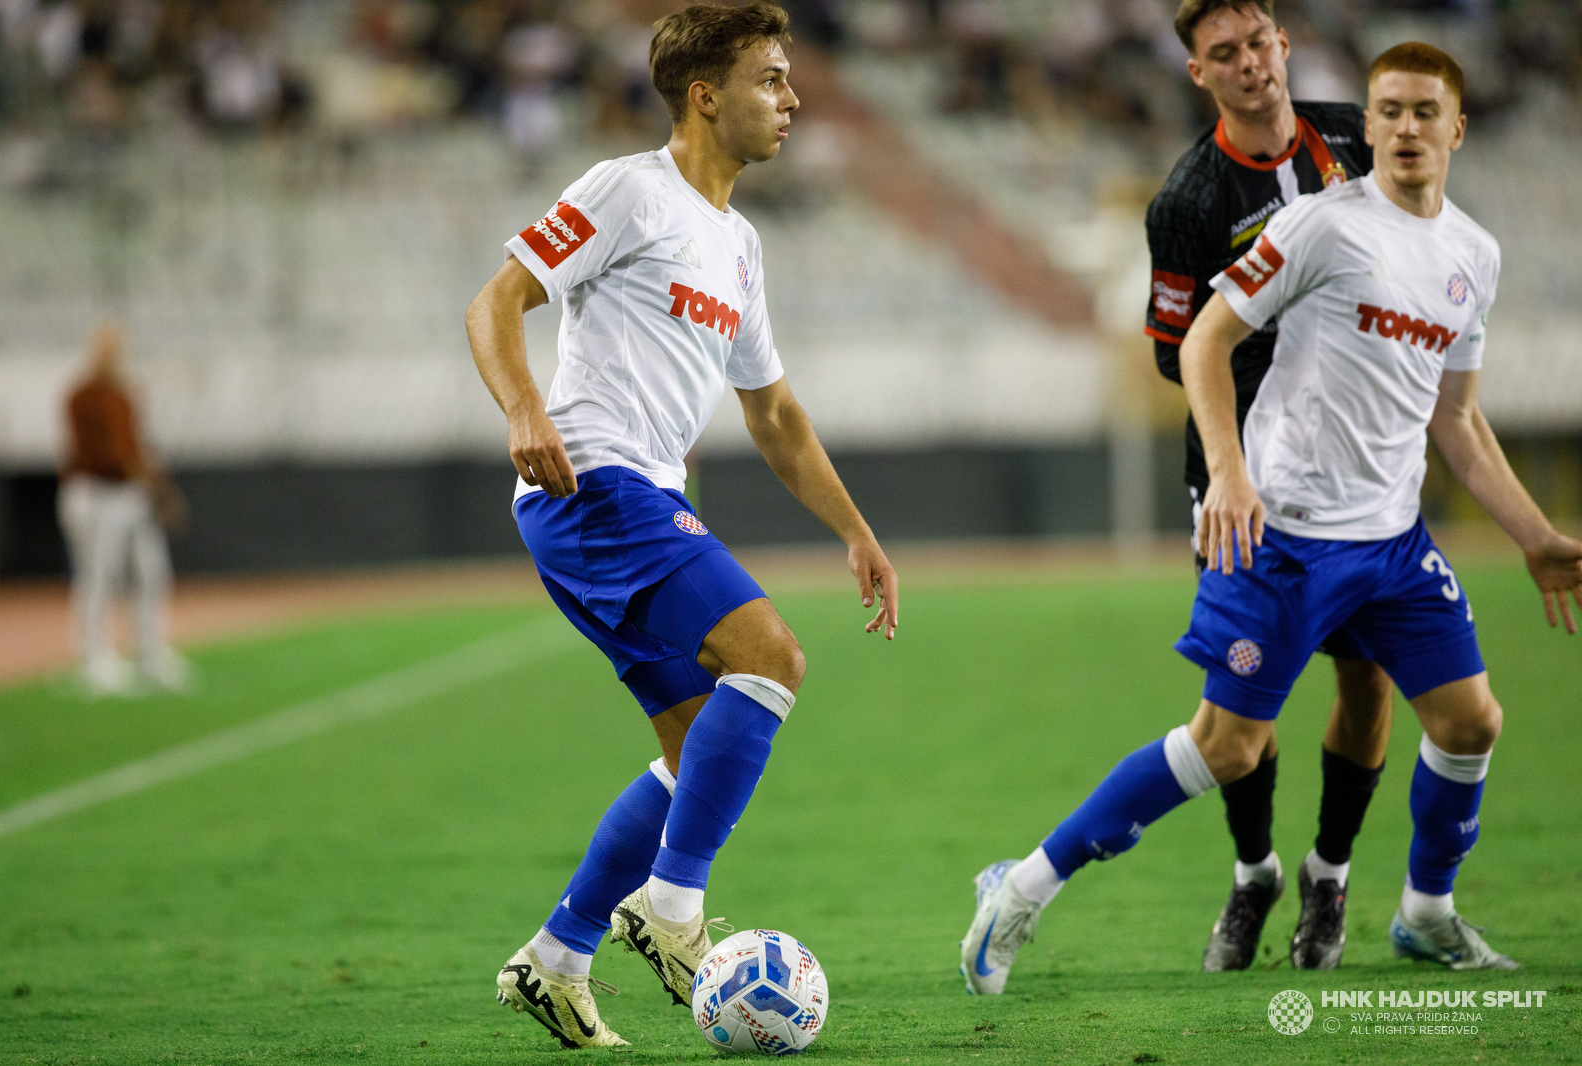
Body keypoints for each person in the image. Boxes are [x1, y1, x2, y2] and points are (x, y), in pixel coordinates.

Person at [961, 42, 1582, 993]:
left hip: (1392, 541)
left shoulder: (1475, 256)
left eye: (1426, 112)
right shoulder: (1321, 226)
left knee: (1470, 721)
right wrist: (1230, 474)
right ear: (1365, 127)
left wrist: (1534, 534)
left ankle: (1425, 912)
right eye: (1389, 111)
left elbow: (1455, 420)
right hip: (1283, 534)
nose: (1407, 128)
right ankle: (1023, 886)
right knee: (1228, 745)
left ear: (1459, 127)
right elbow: (1208, 339)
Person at [465, 2, 898, 1048]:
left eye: (790, 80)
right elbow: (496, 300)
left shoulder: (739, 246)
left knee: (695, 740)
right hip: (594, 486)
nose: (791, 99)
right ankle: (670, 910)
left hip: (636, 498)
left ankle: (557, 956)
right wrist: (524, 409)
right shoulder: (628, 189)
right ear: (705, 95)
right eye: (770, 80)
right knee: (772, 658)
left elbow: (775, 414)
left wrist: (856, 530)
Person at [1143, 0, 1383, 971]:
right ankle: (1253, 873)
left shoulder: (1356, 140)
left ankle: (1329, 875)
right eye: (1222, 55)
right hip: (1240, 480)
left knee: (1366, 674)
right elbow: (1170, 352)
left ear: (1283, 43)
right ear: (1198, 74)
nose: (1249, 66)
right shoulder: (1188, 201)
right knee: (1244, 701)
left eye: (1257, 45)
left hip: (1356, 471)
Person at [58, 322, 189, 694]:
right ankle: (95, 658)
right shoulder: (81, 395)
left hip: (127, 494)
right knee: (98, 576)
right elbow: (108, 453)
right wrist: (146, 476)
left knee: (151, 572)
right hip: (95, 492)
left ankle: (150, 652)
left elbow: (135, 447)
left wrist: (158, 487)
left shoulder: (126, 395)